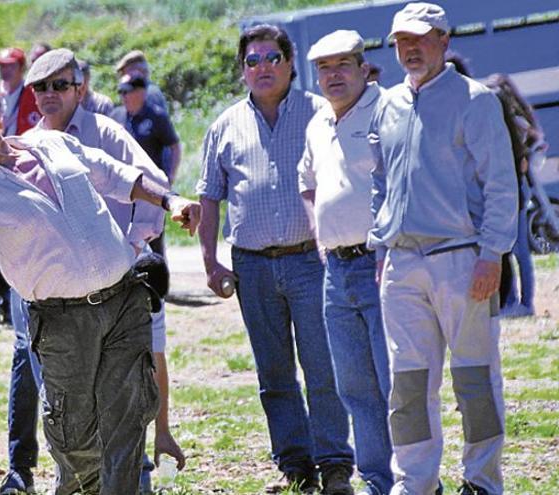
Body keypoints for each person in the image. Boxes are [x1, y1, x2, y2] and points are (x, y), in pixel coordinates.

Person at [0, 96, 200, 495]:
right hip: (60, 323)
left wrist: (169, 200)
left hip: (123, 302)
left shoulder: (53, 143)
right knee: (74, 439)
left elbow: (114, 174)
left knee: (126, 421)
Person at [11, 48, 186, 495]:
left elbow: (154, 185)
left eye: (59, 85)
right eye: (40, 87)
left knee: (123, 397)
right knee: (67, 405)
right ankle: (77, 482)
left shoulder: (104, 132)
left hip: (116, 292)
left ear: (79, 88)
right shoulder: (27, 145)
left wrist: (131, 248)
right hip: (56, 304)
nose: (49, 95)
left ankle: (130, 482)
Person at [196, 24, 352, 494]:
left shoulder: (320, 113)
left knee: (323, 367)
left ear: (289, 62)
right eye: (252, 60)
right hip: (253, 266)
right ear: (242, 70)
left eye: (271, 58)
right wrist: (210, 263)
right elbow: (209, 198)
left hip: (312, 262)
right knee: (274, 370)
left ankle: (335, 464)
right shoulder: (224, 126)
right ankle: (296, 465)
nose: (262, 67)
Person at [368, 4, 517, 494]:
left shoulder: (474, 100)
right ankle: (416, 483)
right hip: (401, 264)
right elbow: (380, 182)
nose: (410, 49)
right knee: (408, 385)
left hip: (462, 258)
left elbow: (500, 184)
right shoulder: (387, 104)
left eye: (421, 39)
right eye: (401, 41)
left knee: (474, 378)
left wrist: (491, 254)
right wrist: (381, 249)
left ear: (444, 41)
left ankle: (481, 481)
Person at [297, 30, 392, 495]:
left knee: (396, 381)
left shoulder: (389, 110)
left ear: (362, 67)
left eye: (341, 65)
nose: (332, 76)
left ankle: (416, 479)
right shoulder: (318, 123)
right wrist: (319, 236)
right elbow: (307, 182)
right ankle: (377, 479)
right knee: (355, 386)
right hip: (335, 269)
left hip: (381, 262)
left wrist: (390, 245)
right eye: (324, 68)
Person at [114, 73, 182, 258]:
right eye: (120, 91)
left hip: (151, 191)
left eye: (127, 91)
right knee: (125, 243)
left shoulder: (156, 116)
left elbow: (174, 147)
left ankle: (159, 286)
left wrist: (169, 178)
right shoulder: (117, 116)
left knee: (154, 243)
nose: (123, 96)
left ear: (141, 92)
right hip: (124, 190)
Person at [486, 73, 537, 318]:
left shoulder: (505, 125)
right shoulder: (513, 124)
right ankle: (517, 300)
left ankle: (522, 302)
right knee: (515, 250)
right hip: (515, 188)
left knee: (518, 249)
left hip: (513, 190)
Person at [0, 47, 40, 136]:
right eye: (2, 66)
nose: (5, 70)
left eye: (11, 66)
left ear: (22, 68)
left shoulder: (33, 94)